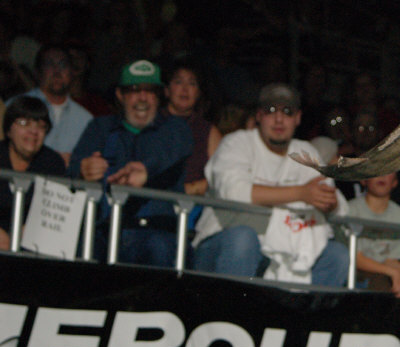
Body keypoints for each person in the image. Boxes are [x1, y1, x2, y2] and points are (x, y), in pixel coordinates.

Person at [196, 82, 349, 286]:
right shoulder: (236, 143)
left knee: (337, 255)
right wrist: (301, 193)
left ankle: (300, 308)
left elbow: (339, 205)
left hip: (284, 250)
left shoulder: (305, 151)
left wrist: (330, 202)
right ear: (259, 116)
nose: (279, 119)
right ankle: (231, 307)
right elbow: (234, 192)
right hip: (223, 242)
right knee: (244, 239)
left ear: (297, 118)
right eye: (270, 110)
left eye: (287, 112)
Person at [68, 60, 192, 267]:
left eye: (150, 91)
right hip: (104, 232)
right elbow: (71, 171)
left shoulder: (174, 128)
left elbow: (172, 150)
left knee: (159, 249)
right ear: (120, 95)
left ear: (159, 96)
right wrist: (83, 171)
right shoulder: (101, 127)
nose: (142, 98)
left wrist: (146, 170)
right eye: (134, 90)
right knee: (79, 247)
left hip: (157, 232)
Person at [8, 45, 93, 165]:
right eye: (49, 64)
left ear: (71, 72)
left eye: (63, 65)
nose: (57, 71)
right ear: (37, 71)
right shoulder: (15, 106)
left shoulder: (85, 119)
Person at [348, 172, 400, 298]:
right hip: (355, 270)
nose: (382, 176)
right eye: (376, 170)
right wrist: (393, 272)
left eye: (388, 172)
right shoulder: (350, 209)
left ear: (395, 182)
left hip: (385, 268)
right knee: (382, 282)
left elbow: (391, 259)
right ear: (364, 180)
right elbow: (354, 258)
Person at [0, 97, 65, 250]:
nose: (34, 131)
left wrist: (33, 230)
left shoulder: (53, 163)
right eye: (24, 123)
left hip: (34, 245)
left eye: (41, 126)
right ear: (9, 130)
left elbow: (55, 213)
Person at [162, 57, 222, 196]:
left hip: (193, 202)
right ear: (167, 90)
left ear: (198, 93)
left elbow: (220, 176)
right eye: (178, 82)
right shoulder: (152, 122)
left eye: (192, 83)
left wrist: (192, 189)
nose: (185, 89)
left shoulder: (208, 132)